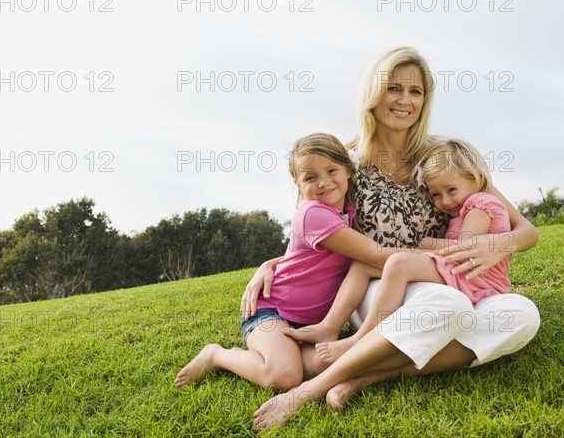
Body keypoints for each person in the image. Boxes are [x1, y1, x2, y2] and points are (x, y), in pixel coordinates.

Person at [244, 46, 540, 431]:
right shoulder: (344, 162)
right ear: (373, 93)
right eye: (393, 88)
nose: (404, 101)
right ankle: (312, 388)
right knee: (448, 306)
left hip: (443, 275)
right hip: (373, 283)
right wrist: (268, 266)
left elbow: (527, 230)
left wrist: (496, 245)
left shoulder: (442, 157)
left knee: (522, 314)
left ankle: (371, 374)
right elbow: (308, 228)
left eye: (415, 92)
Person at [175, 133, 415, 390]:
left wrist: (269, 264)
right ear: (298, 184)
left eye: (331, 170)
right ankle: (217, 355)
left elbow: (304, 258)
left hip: (311, 324)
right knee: (284, 376)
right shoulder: (312, 213)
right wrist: (435, 254)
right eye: (311, 177)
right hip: (272, 313)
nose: (324, 183)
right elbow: (376, 254)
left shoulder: (347, 213)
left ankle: (288, 353)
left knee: (326, 363)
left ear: (347, 170)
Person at [294, 137, 515, 365]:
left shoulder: (481, 204)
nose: (445, 201)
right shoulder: (466, 206)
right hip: (463, 270)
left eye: (451, 190)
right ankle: (329, 327)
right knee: (363, 265)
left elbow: (467, 247)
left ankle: (360, 339)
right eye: (436, 195)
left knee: (400, 264)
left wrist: (428, 244)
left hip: (476, 276)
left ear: (475, 179)